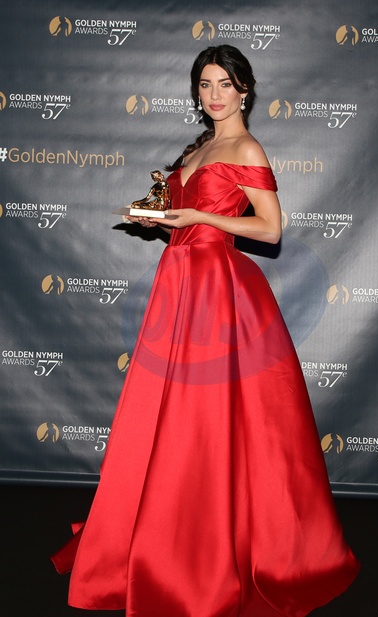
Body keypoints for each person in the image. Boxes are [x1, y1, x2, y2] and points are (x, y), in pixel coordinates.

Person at [52, 44, 359, 617]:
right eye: (205, 84)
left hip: (219, 291)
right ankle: (160, 532)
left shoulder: (246, 147)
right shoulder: (199, 148)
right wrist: (159, 219)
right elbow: (183, 219)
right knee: (166, 417)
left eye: (225, 84)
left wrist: (199, 218)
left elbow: (270, 229)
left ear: (245, 90)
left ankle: (211, 548)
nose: (215, 95)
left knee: (212, 422)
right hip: (178, 285)